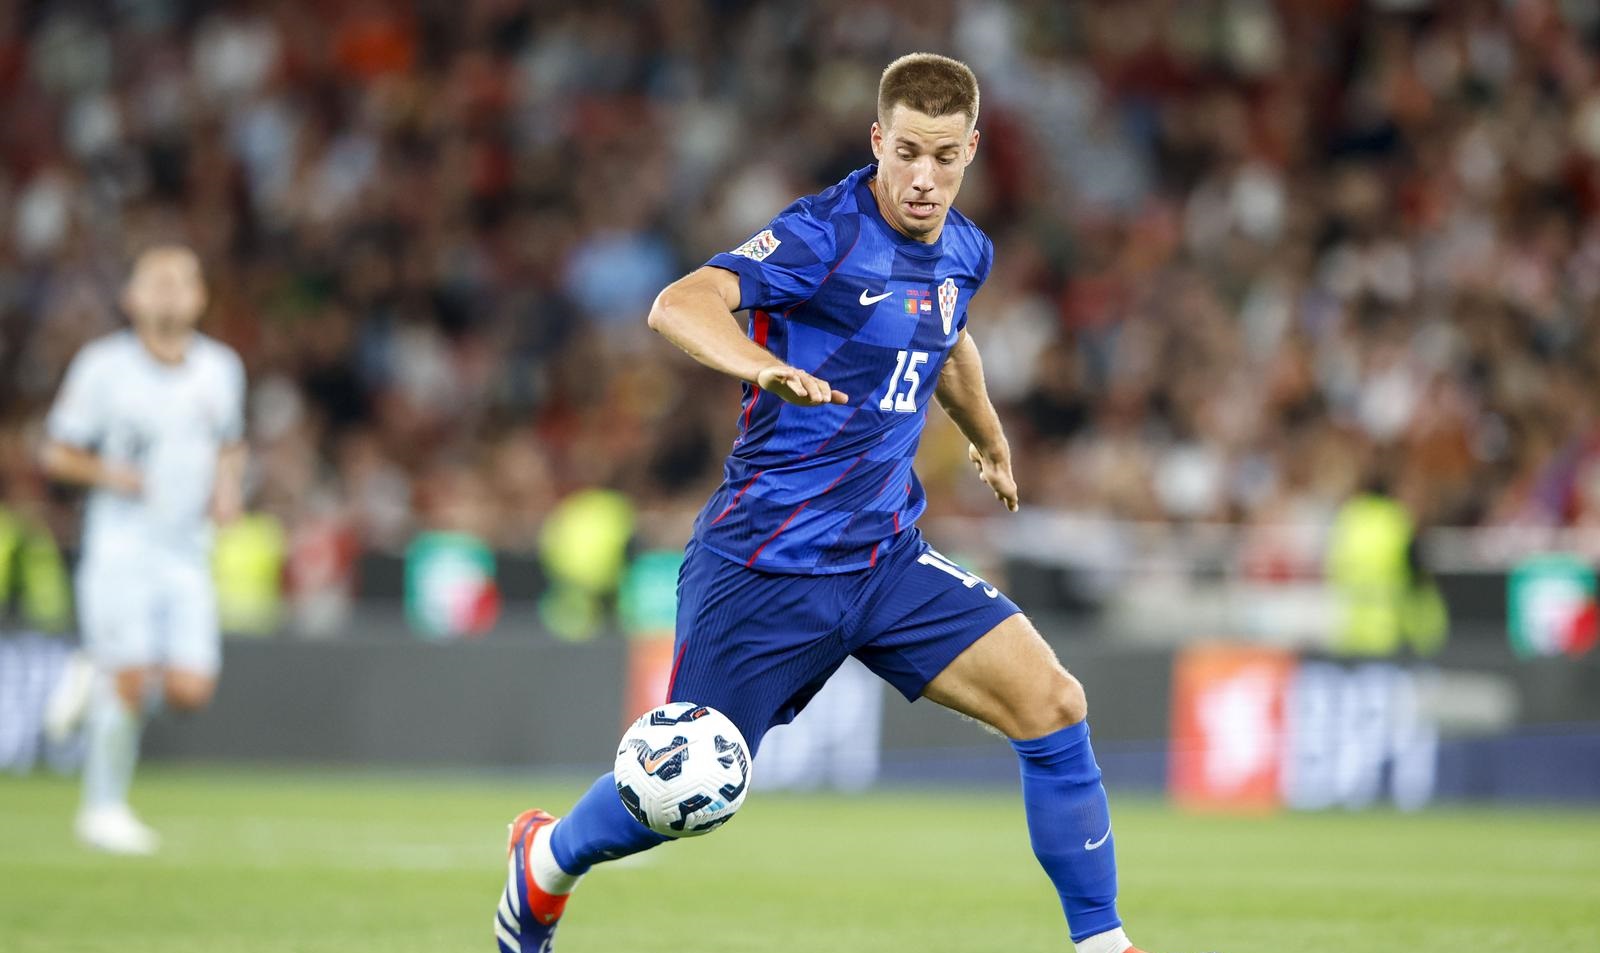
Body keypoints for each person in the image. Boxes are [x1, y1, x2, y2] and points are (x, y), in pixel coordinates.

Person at [495, 54, 1168, 953]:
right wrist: (761, 363)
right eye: (907, 154)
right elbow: (679, 303)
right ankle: (546, 860)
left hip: (886, 560)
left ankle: (1102, 943)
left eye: (943, 157)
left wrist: (988, 432)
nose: (923, 178)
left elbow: (947, 338)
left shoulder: (966, 248)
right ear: (877, 142)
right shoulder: (824, 236)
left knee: (1052, 701)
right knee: (684, 789)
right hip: (766, 566)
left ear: (971, 150)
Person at [40, 245, 247, 854]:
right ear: (130, 297)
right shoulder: (103, 367)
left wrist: (228, 489)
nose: (167, 294)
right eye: (154, 283)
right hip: (121, 543)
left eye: (180, 283)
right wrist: (114, 476)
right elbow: (57, 452)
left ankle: (94, 674)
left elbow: (230, 442)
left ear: (200, 297)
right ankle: (101, 809)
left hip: (186, 547)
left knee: (189, 690)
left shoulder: (220, 368)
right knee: (129, 676)